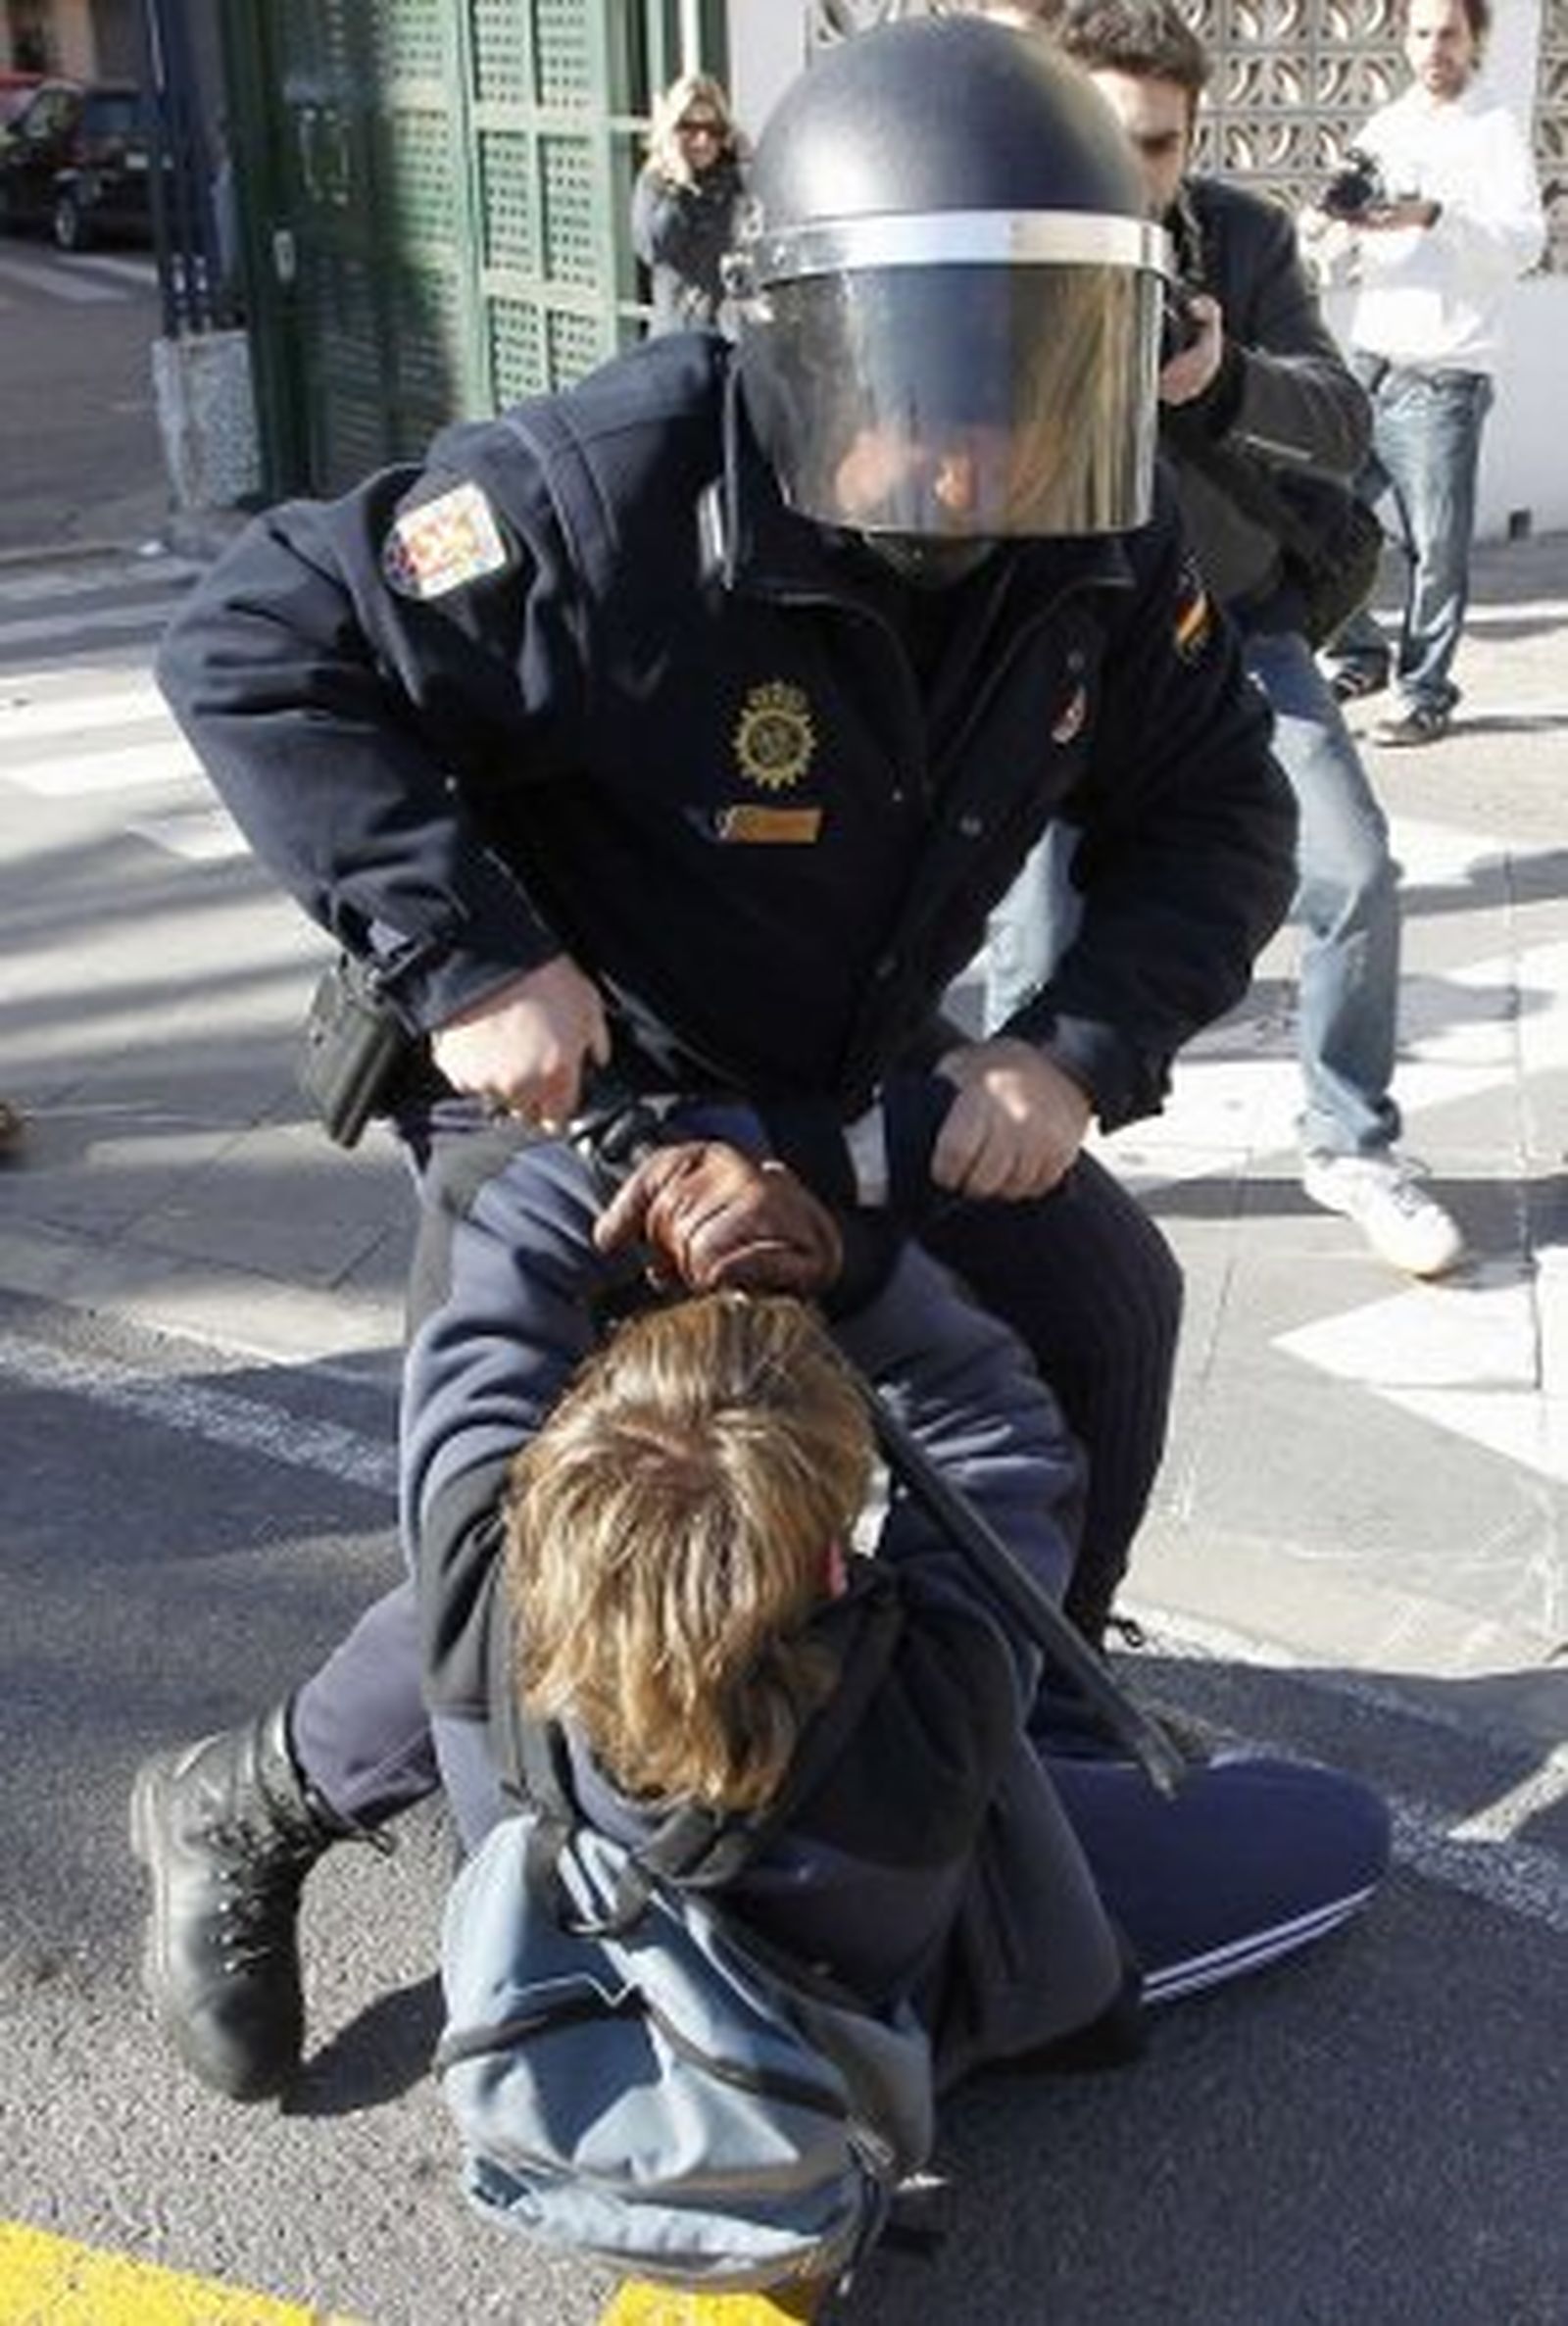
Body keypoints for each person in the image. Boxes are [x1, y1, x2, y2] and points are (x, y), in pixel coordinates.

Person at [135, 15, 1298, 2104]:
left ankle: (961, 1759)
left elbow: (1218, 810)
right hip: (591, 1097)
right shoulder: (596, 498)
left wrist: (1071, 1049)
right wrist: (462, 950)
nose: (976, 453)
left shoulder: (1084, 526)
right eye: (931, 375)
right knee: (585, 1512)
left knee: (1100, 1308)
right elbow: (252, 639)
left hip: (860, 1069)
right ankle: (259, 1799)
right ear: (796, 331)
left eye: (1037, 372)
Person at [484, 1286, 1389, 2091]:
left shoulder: (480, 1612)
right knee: (1345, 1826)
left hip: (648, 1958)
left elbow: (483, 1330)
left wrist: (331, 1795)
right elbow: (999, 1429)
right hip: (913, 1987)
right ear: (830, 1565)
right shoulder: (938, 1685)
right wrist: (856, 1260)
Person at [988, 0, 1463, 1279]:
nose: (1122, 168)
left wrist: (1221, 376)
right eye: (1095, 133)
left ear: (1192, 139)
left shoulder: (1239, 242)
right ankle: (1009, 1179)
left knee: (1354, 873)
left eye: (1153, 143)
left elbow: (1342, 422)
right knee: (1029, 936)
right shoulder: (993, 233)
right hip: (1046, 638)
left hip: (1232, 630)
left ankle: (1352, 1138)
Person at [1311, 0, 1544, 746]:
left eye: (1448, 32)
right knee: (1323, 520)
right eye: (1419, 32)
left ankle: (1425, 691)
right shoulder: (1387, 125)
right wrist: (1332, 226)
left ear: (1474, 38)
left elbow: (1525, 242)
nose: (1432, 47)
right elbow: (1331, 242)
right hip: (1371, 360)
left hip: (1445, 372)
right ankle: (1359, 654)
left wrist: (1435, 213)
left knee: (1434, 549)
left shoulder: (1494, 129)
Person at [630, 71, 748, 335]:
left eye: (712, 130)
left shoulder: (733, 179)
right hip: (679, 333)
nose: (702, 141)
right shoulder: (657, 183)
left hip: (728, 332)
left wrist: (748, 164)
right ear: (673, 131)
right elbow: (652, 248)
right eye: (689, 129)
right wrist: (680, 187)